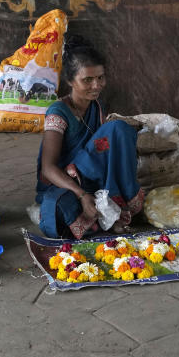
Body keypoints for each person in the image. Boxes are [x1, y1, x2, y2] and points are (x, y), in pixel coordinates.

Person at [36, 36, 144, 239]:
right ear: (70, 81)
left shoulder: (96, 107)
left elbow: (104, 155)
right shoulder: (58, 112)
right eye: (87, 80)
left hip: (96, 179)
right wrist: (82, 195)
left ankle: (116, 204)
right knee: (57, 210)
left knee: (119, 130)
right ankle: (112, 211)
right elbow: (48, 169)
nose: (96, 85)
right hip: (67, 182)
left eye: (100, 78)